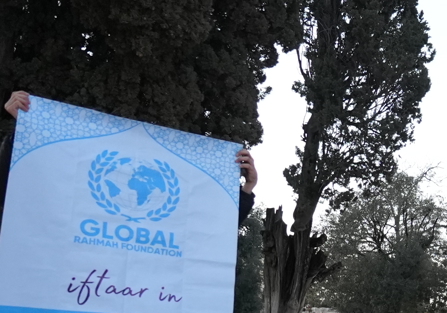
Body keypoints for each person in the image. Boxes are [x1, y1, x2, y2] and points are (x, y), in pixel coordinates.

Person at [2, 90, 259, 226]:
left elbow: (209, 232)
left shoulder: (171, 195)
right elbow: (26, 200)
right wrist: (26, 134)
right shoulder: (79, 179)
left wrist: (246, 190)